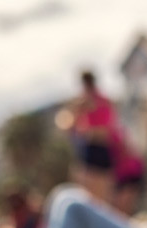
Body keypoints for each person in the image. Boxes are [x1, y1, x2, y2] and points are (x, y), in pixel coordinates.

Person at [57, 70, 139, 207]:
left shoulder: (86, 101)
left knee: (90, 195)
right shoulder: (100, 100)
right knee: (97, 196)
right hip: (99, 149)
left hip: (95, 149)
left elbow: (71, 125)